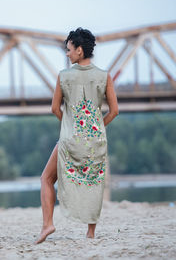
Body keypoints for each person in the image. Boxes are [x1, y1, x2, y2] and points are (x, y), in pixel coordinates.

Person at [35, 27, 119, 244]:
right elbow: (115, 111)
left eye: (69, 49)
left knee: (46, 178)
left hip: (70, 139)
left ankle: (47, 225)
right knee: (94, 183)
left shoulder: (64, 76)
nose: (67, 53)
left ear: (79, 50)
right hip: (95, 140)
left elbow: (55, 109)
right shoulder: (104, 76)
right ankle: (90, 233)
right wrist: (98, 127)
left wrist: (70, 126)